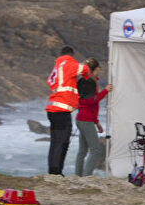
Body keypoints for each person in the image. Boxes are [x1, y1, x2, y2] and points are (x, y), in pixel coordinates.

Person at [47, 46, 88, 176]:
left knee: (55, 141)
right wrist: (86, 65)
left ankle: (53, 170)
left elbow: (51, 82)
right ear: (71, 55)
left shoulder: (57, 66)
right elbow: (85, 69)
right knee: (62, 141)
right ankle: (56, 172)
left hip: (53, 108)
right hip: (62, 109)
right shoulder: (68, 63)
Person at [75, 58, 112, 177]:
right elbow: (91, 101)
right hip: (86, 120)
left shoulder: (83, 80)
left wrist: (96, 122)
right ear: (96, 69)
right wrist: (105, 91)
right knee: (95, 150)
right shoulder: (89, 82)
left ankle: (78, 176)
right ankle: (86, 176)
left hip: (82, 118)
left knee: (82, 150)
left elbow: (87, 103)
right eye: (99, 69)